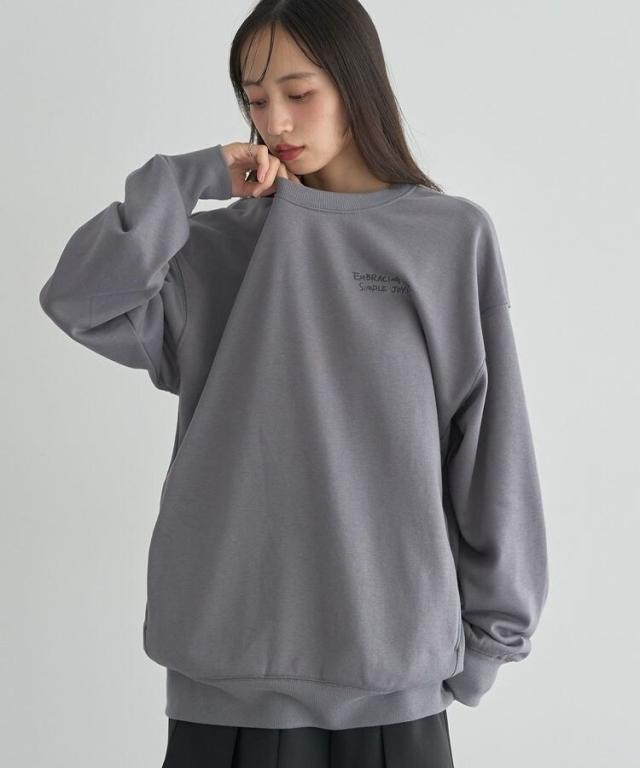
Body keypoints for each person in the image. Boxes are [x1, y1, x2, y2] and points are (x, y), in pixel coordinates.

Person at [38, 0, 550, 766]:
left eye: (298, 92)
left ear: (355, 85)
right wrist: (189, 177)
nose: (274, 120)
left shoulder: (447, 239)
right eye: (254, 98)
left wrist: (488, 646)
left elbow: (491, 449)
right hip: (223, 683)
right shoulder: (213, 250)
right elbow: (79, 299)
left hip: (396, 685)